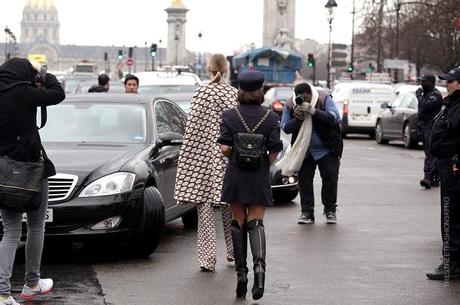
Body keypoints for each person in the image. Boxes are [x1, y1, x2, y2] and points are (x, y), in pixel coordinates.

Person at [0, 58, 65, 305]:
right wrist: (43, 72)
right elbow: (58, 94)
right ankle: (31, 284)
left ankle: (3, 293)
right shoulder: (23, 93)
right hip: (31, 171)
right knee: (37, 227)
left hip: (3, 173)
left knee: (10, 232)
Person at [218, 70, 283, 300]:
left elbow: (224, 148)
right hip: (258, 176)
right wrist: (262, 164)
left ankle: (241, 276)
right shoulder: (271, 117)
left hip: (236, 174)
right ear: (260, 91)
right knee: (256, 223)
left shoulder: (229, 115)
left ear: (240, 90)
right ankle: (260, 274)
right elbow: (275, 149)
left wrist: (237, 158)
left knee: (238, 223)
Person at [174, 54, 237, 272]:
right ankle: (234, 252)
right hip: (227, 155)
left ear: (209, 68)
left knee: (205, 209)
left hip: (202, 157)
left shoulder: (201, 92)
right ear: (226, 69)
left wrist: (188, 157)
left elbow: (192, 128)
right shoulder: (232, 94)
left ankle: (207, 259)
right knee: (230, 206)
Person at [281, 83, 342, 224]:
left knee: (330, 180)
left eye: (306, 98)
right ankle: (307, 213)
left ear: (311, 94)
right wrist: (297, 118)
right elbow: (285, 127)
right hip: (305, 150)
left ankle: (330, 210)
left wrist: (313, 111)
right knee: (305, 181)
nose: (303, 100)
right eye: (300, 98)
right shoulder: (291, 103)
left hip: (327, 148)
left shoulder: (323, 98)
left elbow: (335, 117)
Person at [426, 67, 460, 280]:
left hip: (454, 167)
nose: (446, 85)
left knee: (450, 215)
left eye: (450, 82)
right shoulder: (451, 104)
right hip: (447, 165)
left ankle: (451, 263)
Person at [416, 73, 443, 189]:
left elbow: (425, 106)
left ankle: (428, 177)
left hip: (432, 126)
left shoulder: (435, 95)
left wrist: (419, 97)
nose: (422, 84)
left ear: (432, 83)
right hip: (424, 125)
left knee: (430, 153)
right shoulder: (426, 94)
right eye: (421, 81)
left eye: (424, 81)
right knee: (429, 153)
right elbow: (421, 112)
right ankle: (434, 177)